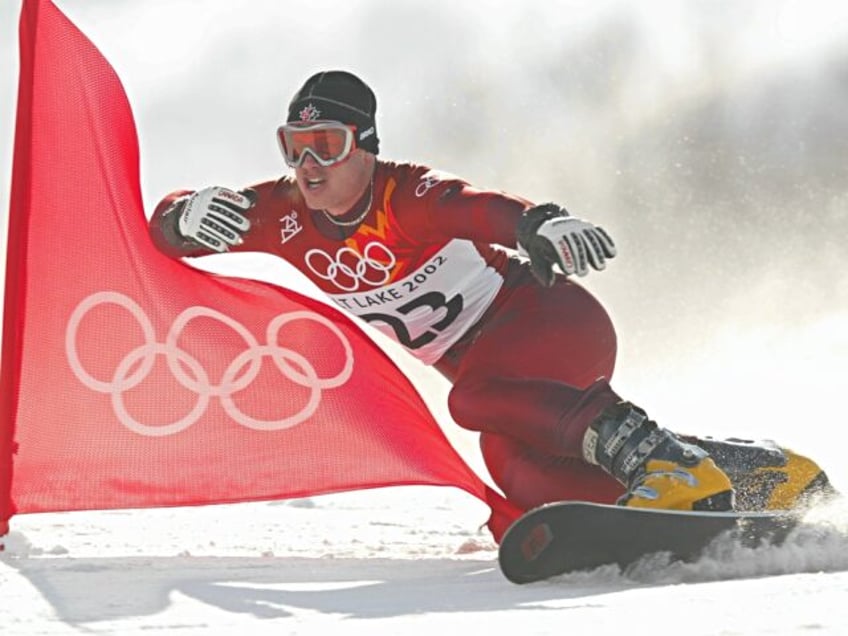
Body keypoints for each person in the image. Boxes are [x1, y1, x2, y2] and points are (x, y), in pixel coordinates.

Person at [149, 70, 834, 515]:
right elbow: (162, 233)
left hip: (548, 325)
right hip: (503, 376)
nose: (307, 165)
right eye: (293, 146)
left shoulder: (405, 192)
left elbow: (479, 207)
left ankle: (672, 465)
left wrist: (540, 222)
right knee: (527, 484)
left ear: (366, 145)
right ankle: (748, 479)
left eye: (325, 143)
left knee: (472, 399)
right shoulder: (282, 213)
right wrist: (183, 215)